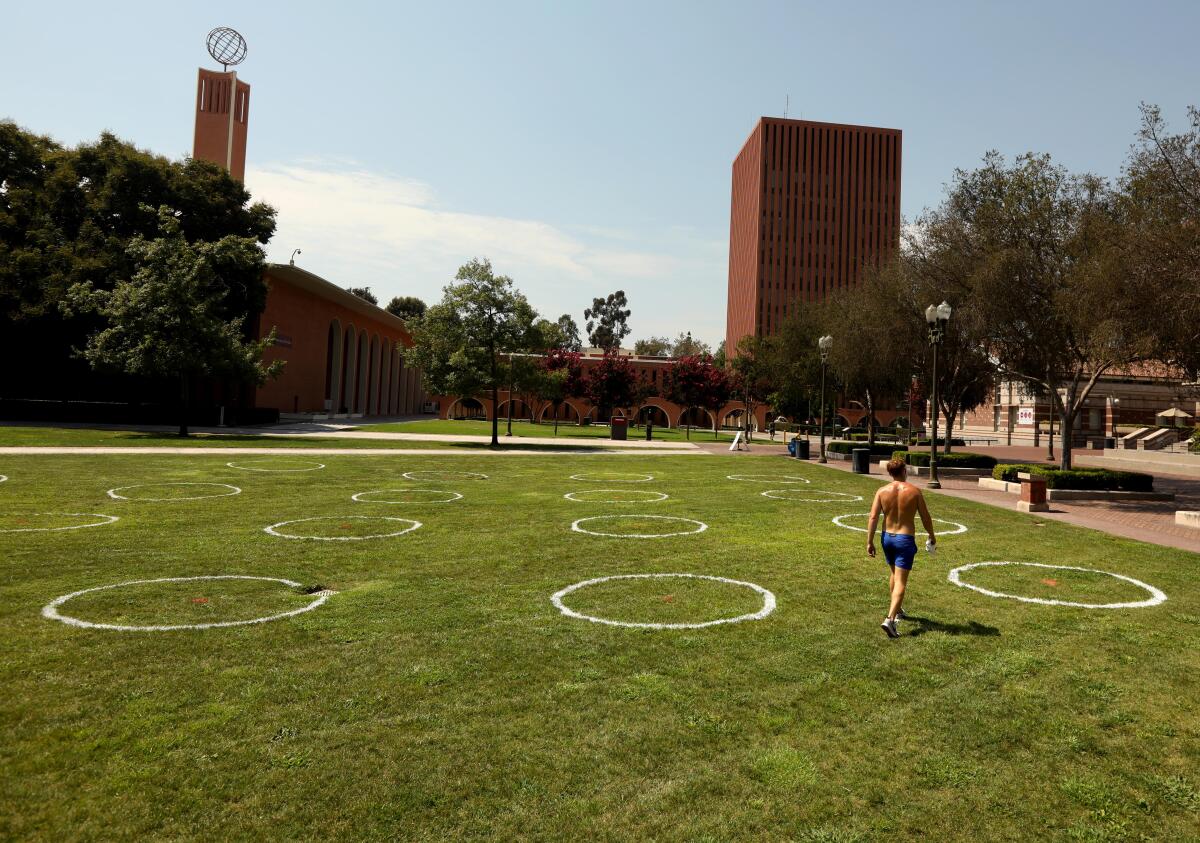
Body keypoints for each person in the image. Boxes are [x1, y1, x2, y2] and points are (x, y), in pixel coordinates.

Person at [866, 457, 936, 638]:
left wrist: (869, 541)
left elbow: (873, 517)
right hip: (904, 539)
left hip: (887, 538)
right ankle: (890, 620)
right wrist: (932, 535)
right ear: (904, 471)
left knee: (894, 574)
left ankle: (896, 610)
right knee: (901, 581)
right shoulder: (914, 491)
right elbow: (926, 517)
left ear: (890, 473)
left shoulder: (882, 491)